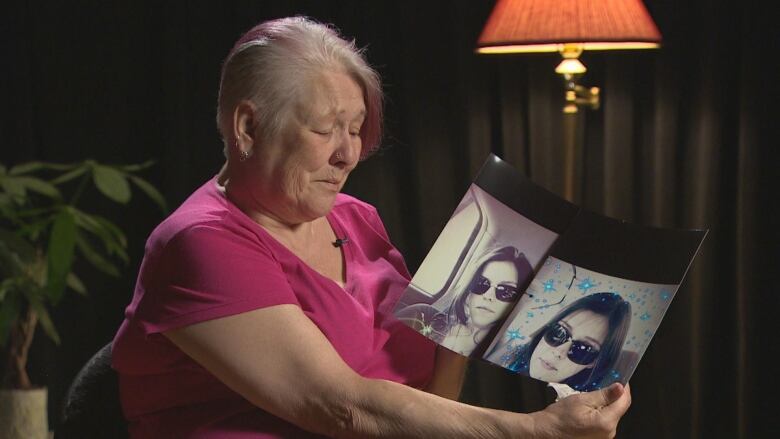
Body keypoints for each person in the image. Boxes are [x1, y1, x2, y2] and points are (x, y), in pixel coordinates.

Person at [111, 16, 631, 438]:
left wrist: (466, 320)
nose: (347, 154)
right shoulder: (200, 243)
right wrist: (535, 432)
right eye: (324, 130)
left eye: (356, 130)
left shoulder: (355, 217)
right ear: (248, 127)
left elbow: (425, 402)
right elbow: (344, 409)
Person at [397, 245, 533, 356]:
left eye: (506, 291)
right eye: (482, 283)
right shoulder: (423, 315)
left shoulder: (502, 357)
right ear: (469, 289)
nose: (488, 296)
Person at [495, 292, 631, 392]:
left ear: (594, 362)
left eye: (583, 348)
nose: (559, 352)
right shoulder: (502, 355)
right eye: (559, 332)